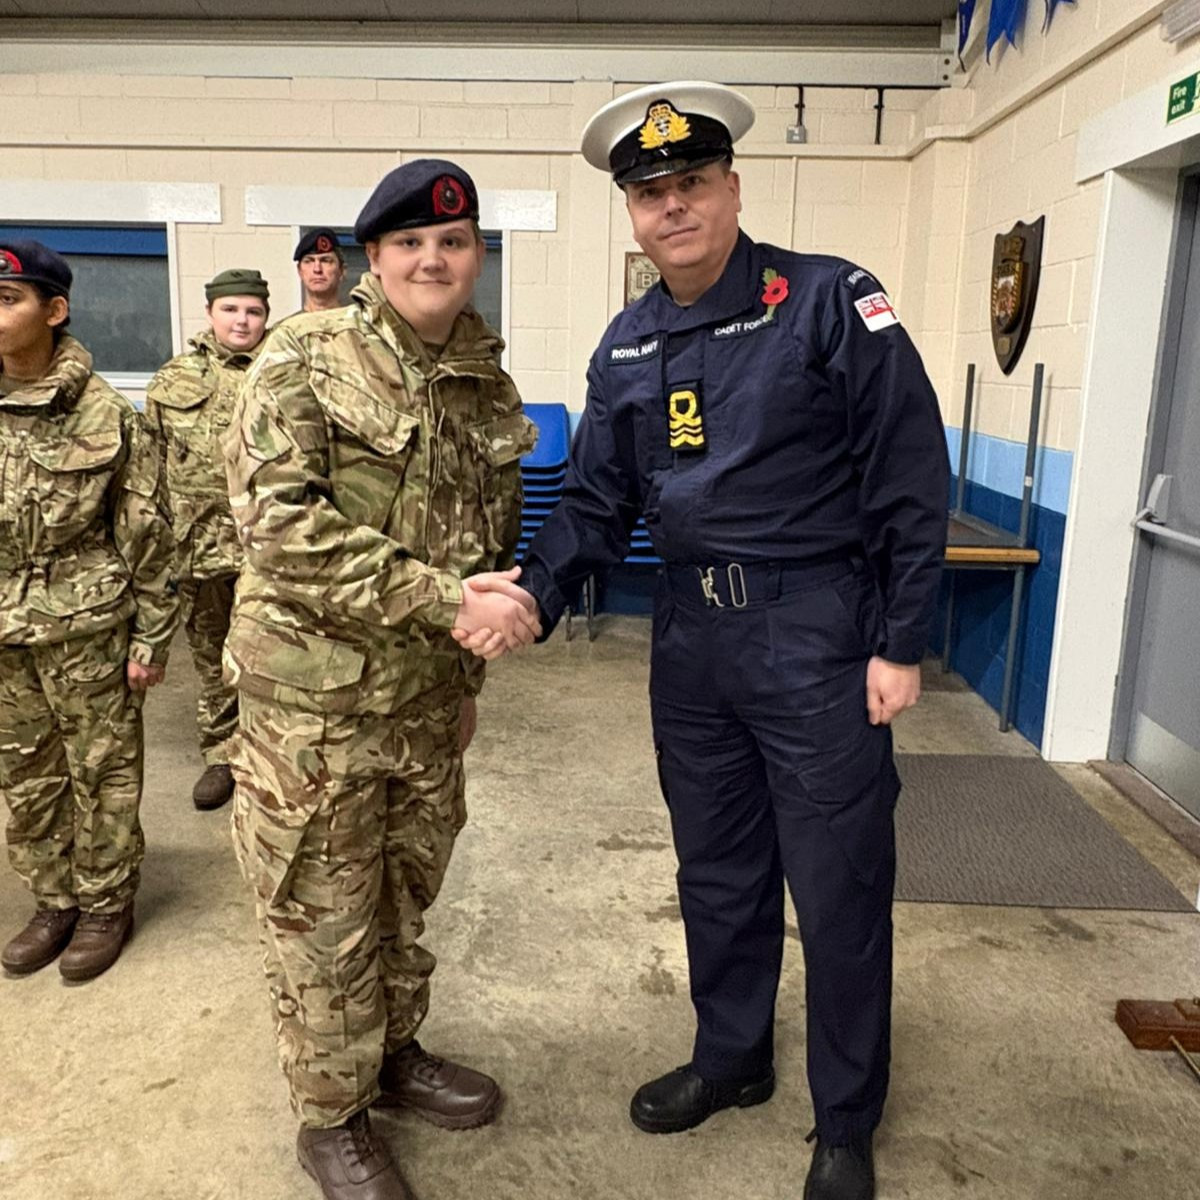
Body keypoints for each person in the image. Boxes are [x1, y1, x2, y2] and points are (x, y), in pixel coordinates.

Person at [456, 83, 949, 1200]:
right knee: (719, 871)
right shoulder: (627, 343)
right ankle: (732, 1059)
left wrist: (902, 639)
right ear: (631, 214)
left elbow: (908, 476)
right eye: (650, 193)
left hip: (817, 632)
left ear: (731, 188)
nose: (672, 207)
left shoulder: (828, 301)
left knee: (836, 883)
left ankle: (845, 1118)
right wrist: (528, 591)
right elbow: (594, 501)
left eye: (690, 184)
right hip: (689, 639)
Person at [223, 160, 539, 1200]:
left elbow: (484, 544)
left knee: (404, 904)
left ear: (476, 257)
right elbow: (277, 528)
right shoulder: (306, 355)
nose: (432, 259)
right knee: (323, 918)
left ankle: (392, 1060)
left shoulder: (487, 379)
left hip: (419, 705)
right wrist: (448, 603)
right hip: (312, 713)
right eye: (409, 244)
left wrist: (464, 687)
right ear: (374, 259)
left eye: (453, 243)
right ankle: (331, 1116)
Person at [0, 239, 177, 981]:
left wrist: (153, 638)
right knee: (26, 774)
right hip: (4, 631)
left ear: (56, 309)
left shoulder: (106, 415)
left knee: (101, 771)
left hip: (89, 625)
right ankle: (54, 898)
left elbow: (148, 531)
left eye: (8, 299)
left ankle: (106, 902)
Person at [145, 269, 271, 811]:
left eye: (254, 311)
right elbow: (148, 467)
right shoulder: (173, 379)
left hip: (268, 548)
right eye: (232, 310)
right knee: (212, 656)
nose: (242, 321)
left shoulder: (283, 371)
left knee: (271, 655)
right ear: (210, 314)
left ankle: (268, 755)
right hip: (196, 548)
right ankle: (221, 754)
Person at [293, 227, 347, 314]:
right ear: (300, 271)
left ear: (342, 270)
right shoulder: (287, 326)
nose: (317, 269)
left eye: (325, 260)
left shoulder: (358, 325)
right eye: (309, 261)